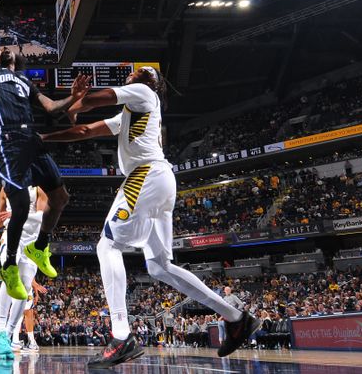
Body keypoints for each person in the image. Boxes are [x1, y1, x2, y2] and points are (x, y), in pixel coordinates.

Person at [40, 67, 261, 367]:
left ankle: (121, 336)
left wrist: (76, 100)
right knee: (160, 266)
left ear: (150, 83)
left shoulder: (145, 94)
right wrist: (45, 137)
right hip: (161, 180)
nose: (130, 75)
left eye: (137, 73)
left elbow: (94, 100)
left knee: (108, 246)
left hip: (145, 175)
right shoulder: (132, 116)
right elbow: (84, 130)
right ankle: (238, 318)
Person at [0, 0, 89, 299]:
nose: (4, 48)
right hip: (6, 141)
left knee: (61, 197)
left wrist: (73, 97)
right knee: (23, 205)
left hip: (31, 138)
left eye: (7, 49)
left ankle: (40, 246)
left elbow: (52, 109)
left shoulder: (26, 80)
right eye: (0, 48)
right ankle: (10, 265)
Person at [0, 186, 47, 358]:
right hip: (11, 235)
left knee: (25, 287)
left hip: (32, 239)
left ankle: (7, 335)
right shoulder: (5, 188)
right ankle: (0, 332)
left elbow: (42, 216)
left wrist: (16, 214)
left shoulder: (39, 187)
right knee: (9, 276)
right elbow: (0, 219)